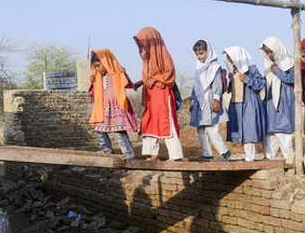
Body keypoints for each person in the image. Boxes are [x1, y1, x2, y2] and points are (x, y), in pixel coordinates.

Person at [132, 27, 184, 161]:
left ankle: (175, 155)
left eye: (142, 44)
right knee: (148, 122)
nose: (141, 47)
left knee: (167, 122)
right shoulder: (147, 60)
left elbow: (169, 73)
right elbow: (149, 77)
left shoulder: (163, 55)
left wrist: (155, 79)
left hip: (162, 94)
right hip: (150, 97)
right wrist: (141, 82)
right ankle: (152, 153)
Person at [89, 49, 137, 159]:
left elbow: (128, 85)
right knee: (99, 130)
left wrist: (123, 74)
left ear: (106, 62)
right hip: (102, 109)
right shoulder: (98, 77)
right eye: (95, 67)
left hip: (116, 108)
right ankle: (107, 151)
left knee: (119, 133)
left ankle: (129, 155)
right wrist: (92, 82)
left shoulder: (116, 73)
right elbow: (93, 94)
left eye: (98, 65)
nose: (97, 69)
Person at [189, 40, 231, 162]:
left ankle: (225, 152)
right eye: (197, 54)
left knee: (211, 128)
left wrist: (216, 100)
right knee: (201, 128)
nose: (199, 56)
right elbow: (196, 86)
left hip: (211, 100)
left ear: (208, 52)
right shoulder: (198, 69)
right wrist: (193, 103)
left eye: (201, 53)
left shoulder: (214, 67)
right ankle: (207, 153)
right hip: (200, 101)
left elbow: (217, 84)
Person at [222, 46, 266, 162]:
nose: (231, 61)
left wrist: (247, 79)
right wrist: (231, 81)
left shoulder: (251, 68)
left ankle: (250, 156)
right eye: (229, 59)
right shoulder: (234, 70)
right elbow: (231, 90)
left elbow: (261, 84)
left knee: (249, 128)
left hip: (250, 102)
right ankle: (248, 155)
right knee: (241, 129)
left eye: (232, 58)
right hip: (237, 104)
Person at [259, 37, 295, 160]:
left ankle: (288, 158)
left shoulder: (290, 62)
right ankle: (269, 157)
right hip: (270, 101)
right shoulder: (268, 65)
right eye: (267, 52)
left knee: (284, 131)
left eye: (271, 51)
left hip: (285, 100)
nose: (269, 55)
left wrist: (278, 71)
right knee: (271, 131)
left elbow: (293, 79)